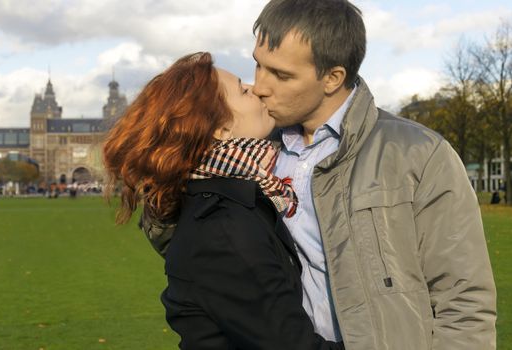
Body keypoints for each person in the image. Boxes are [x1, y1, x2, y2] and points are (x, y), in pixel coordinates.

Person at [249, 0, 496, 349]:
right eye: (258, 65)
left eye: (281, 74)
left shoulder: (420, 155)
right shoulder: (251, 151)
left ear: (333, 78)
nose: (260, 85)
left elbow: (464, 300)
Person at [103, 52, 343, 349]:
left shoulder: (228, 196)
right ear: (221, 128)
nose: (257, 91)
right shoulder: (225, 229)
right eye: (243, 90)